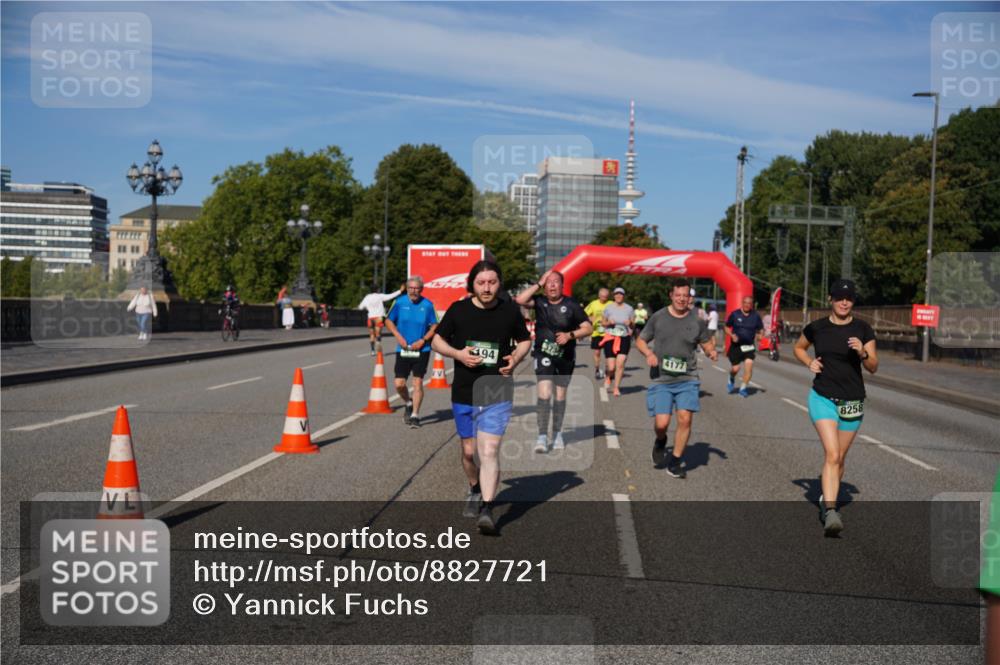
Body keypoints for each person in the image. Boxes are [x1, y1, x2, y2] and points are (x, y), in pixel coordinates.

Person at [432, 260, 531, 535]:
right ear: (472, 284)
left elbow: (524, 340)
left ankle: (487, 509)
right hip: (464, 390)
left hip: (496, 389)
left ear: (499, 284)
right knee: (468, 452)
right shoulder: (458, 310)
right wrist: (459, 354)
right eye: (481, 282)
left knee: (488, 451)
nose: (487, 288)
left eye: (492, 282)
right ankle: (474, 487)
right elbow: (437, 341)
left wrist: (516, 357)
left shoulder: (509, 311)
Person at [793, 279, 877, 536]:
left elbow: (873, 366)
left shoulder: (863, 329)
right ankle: (830, 511)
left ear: (853, 302)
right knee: (832, 454)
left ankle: (826, 498)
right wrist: (809, 362)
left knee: (839, 458)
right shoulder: (817, 327)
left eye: (849, 298)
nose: (844, 302)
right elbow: (798, 347)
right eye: (839, 297)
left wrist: (863, 352)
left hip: (852, 400)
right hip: (823, 397)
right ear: (830, 299)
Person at [635, 278, 717, 479]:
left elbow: (705, 343)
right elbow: (640, 340)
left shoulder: (696, 321)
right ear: (671, 295)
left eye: (685, 295)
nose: (682, 299)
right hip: (661, 379)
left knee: (685, 419)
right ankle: (661, 441)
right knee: (661, 424)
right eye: (678, 295)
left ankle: (675, 461)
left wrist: (710, 352)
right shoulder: (658, 317)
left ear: (689, 297)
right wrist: (649, 354)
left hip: (687, 377)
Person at [514, 270, 591, 453]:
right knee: (544, 394)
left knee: (560, 397)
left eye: (556, 282)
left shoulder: (572, 304)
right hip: (543, 354)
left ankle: (557, 433)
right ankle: (541, 436)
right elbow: (519, 300)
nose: (553, 285)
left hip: (565, 357)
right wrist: (538, 283)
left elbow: (588, 328)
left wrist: (570, 335)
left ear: (562, 285)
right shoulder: (539, 302)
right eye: (549, 282)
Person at [384, 276, 438, 429]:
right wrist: (398, 336)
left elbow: (435, 325)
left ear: (421, 289)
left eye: (417, 288)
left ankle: (415, 415)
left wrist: (423, 340)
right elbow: (388, 320)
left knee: (418, 382)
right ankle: (408, 403)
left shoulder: (427, 305)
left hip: (422, 350)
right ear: (407, 288)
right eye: (411, 288)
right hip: (403, 349)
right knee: (399, 384)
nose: (414, 291)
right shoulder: (400, 302)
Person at [725, 296, 764, 398]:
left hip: (749, 346)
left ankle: (743, 388)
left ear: (752, 305)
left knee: (749, 366)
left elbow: (760, 329)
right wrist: (732, 335)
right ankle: (731, 377)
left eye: (749, 303)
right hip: (736, 346)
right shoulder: (735, 314)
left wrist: (760, 336)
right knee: (735, 368)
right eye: (745, 303)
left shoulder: (755, 316)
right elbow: (726, 327)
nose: (747, 305)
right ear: (742, 303)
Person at [600, 287, 635, 396]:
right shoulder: (608, 308)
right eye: (616, 294)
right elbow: (602, 323)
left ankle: (616, 387)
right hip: (610, 337)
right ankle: (608, 376)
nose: (619, 296)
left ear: (623, 296)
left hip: (624, 338)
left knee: (620, 364)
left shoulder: (629, 309)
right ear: (614, 296)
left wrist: (630, 323)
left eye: (621, 294)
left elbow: (633, 325)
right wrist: (608, 322)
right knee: (611, 367)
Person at [358, 284, 404, 355]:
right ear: (377, 290)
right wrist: (400, 291)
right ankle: (378, 343)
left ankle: (372, 351)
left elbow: (360, 307)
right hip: (379, 317)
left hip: (370, 317)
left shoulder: (367, 297)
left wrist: (368, 308)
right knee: (378, 333)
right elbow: (390, 296)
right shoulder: (380, 296)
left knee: (371, 334)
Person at [584, 287, 610, 381]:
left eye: (606, 297)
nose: (604, 299)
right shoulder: (593, 304)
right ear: (599, 296)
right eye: (602, 297)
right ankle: (597, 369)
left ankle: (608, 371)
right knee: (597, 352)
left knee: (609, 354)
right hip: (596, 332)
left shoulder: (611, 304)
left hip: (608, 332)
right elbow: (583, 314)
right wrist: (590, 318)